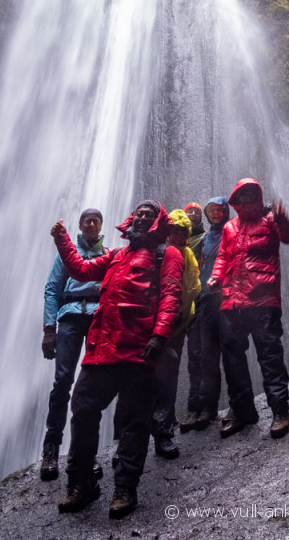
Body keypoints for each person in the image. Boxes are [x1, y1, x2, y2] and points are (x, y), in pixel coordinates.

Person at [49, 201, 182, 519]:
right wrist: (62, 239)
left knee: (134, 421)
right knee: (82, 411)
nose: (142, 217)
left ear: (158, 223)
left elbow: (171, 295)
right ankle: (82, 484)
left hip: (139, 351)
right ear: (130, 220)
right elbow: (80, 269)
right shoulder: (116, 256)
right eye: (139, 213)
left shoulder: (168, 255)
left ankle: (125, 488)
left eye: (149, 215)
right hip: (101, 351)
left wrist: (159, 336)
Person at [208, 179, 289, 440]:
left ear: (257, 197)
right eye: (242, 195)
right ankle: (242, 410)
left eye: (251, 195)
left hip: (262, 300)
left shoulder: (269, 220)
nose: (247, 200)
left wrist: (282, 220)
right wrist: (215, 277)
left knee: (270, 356)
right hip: (231, 302)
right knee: (233, 359)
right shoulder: (229, 226)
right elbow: (223, 256)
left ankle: (280, 411)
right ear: (236, 199)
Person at [40, 208, 107, 482]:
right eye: (86, 220)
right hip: (68, 317)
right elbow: (52, 289)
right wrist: (48, 328)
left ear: (100, 226)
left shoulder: (108, 254)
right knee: (63, 381)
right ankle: (51, 448)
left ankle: (86, 453)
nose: (91, 224)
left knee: (92, 386)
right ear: (80, 226)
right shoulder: (67, 255)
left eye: (95, 220)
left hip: (96, 318)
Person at [149, 208, 202, 458]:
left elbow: (192, 287)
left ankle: (164, 431)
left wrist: (183, 314)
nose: (178, 237)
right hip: (153, 324)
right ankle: (131, 437)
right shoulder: (157, 253)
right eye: (174, 232)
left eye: (183, 233)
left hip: (177, 324)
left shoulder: (188, 255)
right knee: (141, 379)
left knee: (168, 378)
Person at [180, 196, 228, 432]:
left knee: (210, 355)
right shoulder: (201, 240)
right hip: (196, 301)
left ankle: (209, 407)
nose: (215, 214)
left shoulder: (225, 234)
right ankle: (194, 408)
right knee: (195, 357)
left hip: (217, 299)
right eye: (212, 211)